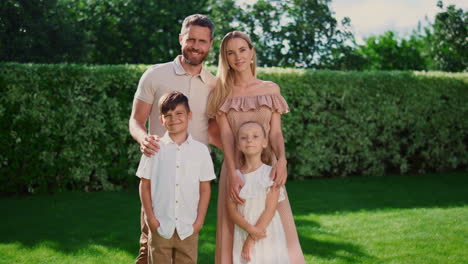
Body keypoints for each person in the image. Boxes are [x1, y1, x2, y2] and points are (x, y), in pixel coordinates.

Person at [207, 31, 305, 264]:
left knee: (276, 232)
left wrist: (282, 160)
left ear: (252, 52)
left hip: (267, 170)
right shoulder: (221, 92)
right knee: (234, 234)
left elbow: (275, 133)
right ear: (225, 58)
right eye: (230, 53)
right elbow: (227, 138)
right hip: (235, 171)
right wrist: (232, 173)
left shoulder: (270, 89)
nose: (237, 57)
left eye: (242, 50)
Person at [129, 14, 218, 264]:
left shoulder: (214, 84)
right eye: (191, 39)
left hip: (192, 182)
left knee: (187, 254)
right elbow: (135, 121)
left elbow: (212, 129)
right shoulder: (154, 75)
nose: (196, 46)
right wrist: (143, 138)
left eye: (202, 41)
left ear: (210, 44)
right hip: (160, 180)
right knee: (149, 249)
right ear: (181, 38)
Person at [137, 91, 216, 263]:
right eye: (168, 115)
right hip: (160, 226)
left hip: (188, 227)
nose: (174, 119)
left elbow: (205, 188)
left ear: (189, 115)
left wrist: (199, 221)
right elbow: (144, 185)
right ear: (161, 120)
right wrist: (150, 219)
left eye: (179, 113)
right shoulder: (154, 148)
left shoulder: (201, 151)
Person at [228, 121, 290, 264]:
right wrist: (250, 230)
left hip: (266, 230)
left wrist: (252, 238)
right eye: (244, 137)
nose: (249, 140)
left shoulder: (270, 173)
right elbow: (231, 210)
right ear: (238, 145)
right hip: (244, 229)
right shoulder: (236, 177)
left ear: (265, 142)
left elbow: (270, 209)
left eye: (255, 136)